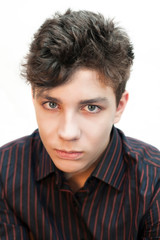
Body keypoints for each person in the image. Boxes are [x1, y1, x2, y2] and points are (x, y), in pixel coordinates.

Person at [0, 9, 159, 240]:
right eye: (52, 105)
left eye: (91, 108)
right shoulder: (5, 173)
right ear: (34, 97)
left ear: (119, 107)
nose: (67, 132)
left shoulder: (154, 182)